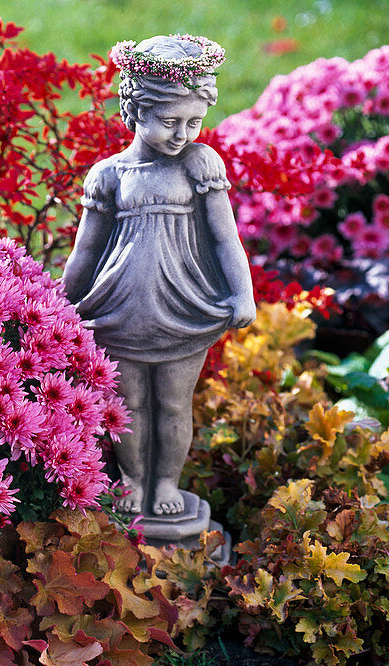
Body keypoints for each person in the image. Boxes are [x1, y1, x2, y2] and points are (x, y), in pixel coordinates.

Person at [62, 34, 255, 517]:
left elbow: (224, 238)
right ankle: (132, 480)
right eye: (169, 122)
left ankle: (166, 484)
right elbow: (86, 248)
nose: (182, 134)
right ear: (133, 113)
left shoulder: (199, 163)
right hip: (119, 309)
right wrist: (60, 303)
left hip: (185, 306)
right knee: (127, 405)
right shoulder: (110, 174)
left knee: (172, 403)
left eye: (194, 122)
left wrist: (242, 293)